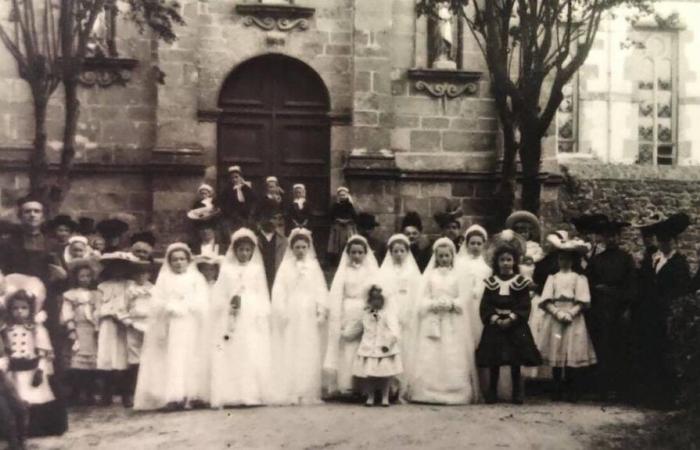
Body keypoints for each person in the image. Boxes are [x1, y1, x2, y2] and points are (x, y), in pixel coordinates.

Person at [134, 243, 208, 411]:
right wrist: (169, 306)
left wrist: (188, 305)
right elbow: (156, 303)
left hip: (190, 322)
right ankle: (173, 396)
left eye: (182, 259)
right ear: (169, 262)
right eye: (174, 260)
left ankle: (192, 394)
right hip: (171, 324)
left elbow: (203, 301)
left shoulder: (196, 278)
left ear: (188, 260)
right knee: (173, 357)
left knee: (190, 356)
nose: (179, 263)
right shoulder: (164, 279)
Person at [410, 237, 480, 405]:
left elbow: (464, 297)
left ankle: (454, 391)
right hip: (433, 318)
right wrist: (432, 304)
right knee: (431, 352)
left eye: (446, 256)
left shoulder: (458, 276)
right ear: (436, 256)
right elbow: (422, 298)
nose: (443, 259)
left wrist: (451, 304)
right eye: (440, 256)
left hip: (452, 319)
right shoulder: (430, 276)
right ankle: (427, 390)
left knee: (452, 352)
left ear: (452, 256)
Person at [476, 231, 542, 404]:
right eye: (502, 260)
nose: (505, 263)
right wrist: (496, 319)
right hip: (495, 325)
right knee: (494, 359)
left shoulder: (520, 282)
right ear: (497, 263)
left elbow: (524, 304)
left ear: (514, 262)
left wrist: (512, 318)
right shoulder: (491, 283)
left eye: (509, 260)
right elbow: (486, 305)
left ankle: (517, 392)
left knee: (515, 360)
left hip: (514, 325)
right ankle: (492, 392)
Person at [209, 228, 272, 407]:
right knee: (232, 350)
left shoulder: (257, 269)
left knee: (251, 350)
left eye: (247, 250)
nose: (244, 253)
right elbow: (219, 294)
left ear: (252, 251)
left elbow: (262, 293)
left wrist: (260, 312)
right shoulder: (227, 269)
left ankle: (251, 393)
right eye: (241, 250)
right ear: (234, 250)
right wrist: (228, 303)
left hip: (251, 314)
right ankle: (232, 393)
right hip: (231, 314)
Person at [270, 228, 328, 405]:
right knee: (291, 346)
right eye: (297, 247)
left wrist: (321, 309)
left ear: (308, 247)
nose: (300, 250)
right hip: (293, 310)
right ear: (292, 248)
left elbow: (320, 289)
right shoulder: (286, 266)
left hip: (308, 311)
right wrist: (282, 310)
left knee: (308, 347)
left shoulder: (313, 266)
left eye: (304, 247)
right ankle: (292, 389)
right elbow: (279, 290)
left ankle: (307, 389)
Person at [536, 235, 597, 402]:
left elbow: (583, 300)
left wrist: (571, 312)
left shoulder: (579, 278)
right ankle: (556, 388)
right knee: (556, 349)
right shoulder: (552, 278)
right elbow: (546, 299)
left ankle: (572, 389)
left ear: (573, 261)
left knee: (571, 350)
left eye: (567, 259)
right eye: (561, 258)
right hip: (556, 316)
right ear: (557, 260)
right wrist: (556, 312)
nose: (564, 262)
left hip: (573, 317)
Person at [585, 216, 636, 402]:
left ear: (619, 238)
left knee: (618, 349)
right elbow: (588, 283)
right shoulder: (597, 260)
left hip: (618, 310)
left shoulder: (626, 259)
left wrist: (625, 306)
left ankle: (619, 389)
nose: (612, 239)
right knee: (601, 348)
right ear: (603, 238)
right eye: (608, 236)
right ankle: (601, 389)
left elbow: (631, 285)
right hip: (599, 310)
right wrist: (597, 291)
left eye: (615, 236)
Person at [1, 289, 66, 436]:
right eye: (15, 308)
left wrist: (41, 370)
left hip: (31, 370)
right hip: (13, 371)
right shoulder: (6, 329)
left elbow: (43, 353)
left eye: (24, 308)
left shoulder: (36, 329)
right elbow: (4, 351)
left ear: (31, 309)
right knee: (16, 399)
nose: (19, 312)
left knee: (33, 399)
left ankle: (32, 429)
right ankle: (15, 431)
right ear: (9, 310)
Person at [644, 213, 691, 408]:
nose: (664, 244)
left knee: (668, 354)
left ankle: (669, 399)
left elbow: (681, 289)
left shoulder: (679, 262)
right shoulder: (656, 259)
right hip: (653, 313)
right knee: (654, 352)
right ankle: (655, 396)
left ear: (675, 241)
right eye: (661, 240)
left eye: (668, 240)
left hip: (669, 312)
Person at [324, 235, 379, 398]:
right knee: (348, 345)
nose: (356, 256)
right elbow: (337, 295)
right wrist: (338, 316)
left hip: (365, 309)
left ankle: (364, 385)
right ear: (348, 253)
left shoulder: (370, 271)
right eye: (353, 252)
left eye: (360, 252)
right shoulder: (344, 272)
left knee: (364, 345)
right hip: (348, 309)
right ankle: (347, 384)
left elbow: (376, 292)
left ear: (365, 253)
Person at [378, 234, 421, 399]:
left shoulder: (412, 272)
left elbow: (417, 293)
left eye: (402, 250)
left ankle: (404, 384)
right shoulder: (385, 271)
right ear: (390, 252)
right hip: (391, 310)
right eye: (395, 251)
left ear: (407, 252)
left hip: (407, 310)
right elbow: (381, 293)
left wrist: (410, 311)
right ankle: (388, 386)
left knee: (406, 346)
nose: (398, 254)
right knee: (390, 345)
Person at [348, 285, 402, 407]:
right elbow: (357, 327)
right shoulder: (365, 314)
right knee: (369, 373)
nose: (376, 302)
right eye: (373, 299)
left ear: (383, 300)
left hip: (384, 348)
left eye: (379, 299)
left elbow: (395, 331)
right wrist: (345, 334)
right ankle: (370, 396)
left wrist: (388, 343)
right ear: (369, 300)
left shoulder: (388, 314)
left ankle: (385, 396)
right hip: (368, 347)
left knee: (385, 374)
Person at [96, 251, 136, 407]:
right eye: (114, 268)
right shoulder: (102, 286)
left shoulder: (130, 285)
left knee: (124, 356)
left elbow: (134, 303)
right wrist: (107, 313)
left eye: (121, 267)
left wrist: (125, 316)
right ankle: (106, 393)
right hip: (108, 323)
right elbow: (99, 306)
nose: (117, 271)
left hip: (125, 324)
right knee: (107, 356)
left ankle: (127, 393)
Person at [60, 258, 100, 405]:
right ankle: (76, 392)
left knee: (91, 363)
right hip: (78, 329)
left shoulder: (96, 294)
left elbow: (98, 310)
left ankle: (90, 392)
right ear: (76, 277)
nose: (85, 279)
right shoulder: (70, 294)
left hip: (91, 330)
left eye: (88, 276)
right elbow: (66, 312)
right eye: (82, 276)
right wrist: (71, 328)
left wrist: (98, 325)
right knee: (77, 363)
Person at [122, 260, 153, 405]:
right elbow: (122, 308)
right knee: (134, 358)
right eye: (138, 274)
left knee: (150, 356)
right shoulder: (129, 290)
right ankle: (131, 393)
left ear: (149, 275)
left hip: (150, 325)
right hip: (134, 325)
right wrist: (128, 321)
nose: (141, 277)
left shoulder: (154, 289)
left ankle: (148, 391)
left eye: (144, 273)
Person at [456, 224, 492, 348]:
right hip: (464, 304)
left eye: (479, 243)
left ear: (483, 245)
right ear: (467, 245)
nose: (475, 246)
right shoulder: (459, 263)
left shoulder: (486, 268)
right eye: (472, 243)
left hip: (479, 305)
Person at [0, 345, 28, 450]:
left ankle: (21, 441)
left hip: (3, 379)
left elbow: (5, 355)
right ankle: (13, 444)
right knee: (6, 414)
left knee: (20, 408)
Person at [216, 165, 257, 232]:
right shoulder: (227, 190)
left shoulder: (246, 189)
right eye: (232, 178)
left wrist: (250, 213)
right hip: (232, 218)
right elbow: (221, 202)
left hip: (246, 217)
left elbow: (254, 200)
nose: (234, 179)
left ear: (241, 177)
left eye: (236, 177)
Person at [257, 210, 288, 293]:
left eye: (274, 218)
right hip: (258, 284)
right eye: (267, 217)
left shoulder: (284, 241)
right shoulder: (253, 240)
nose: (271, 221)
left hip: (278, 284)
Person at [327, 187, 357, 266]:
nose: (342, 197)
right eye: (340, 195)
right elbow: (332, 216)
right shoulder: (335, 205)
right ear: (338, 196)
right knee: (338, 245)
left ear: (347, 195)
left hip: (348, 227)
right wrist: (338, 220)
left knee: (347, 243)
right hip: (338, 227)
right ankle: (338, 261)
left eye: (344, 195)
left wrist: (348, 220)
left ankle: (349, 259)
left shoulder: (350, 205)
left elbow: (354, 216)